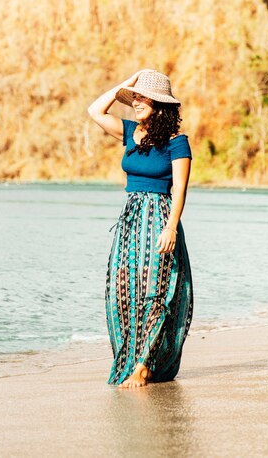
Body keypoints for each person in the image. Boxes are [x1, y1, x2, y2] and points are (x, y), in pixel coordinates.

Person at [87, 69, 193, 388]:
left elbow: (181, 188)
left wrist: (171, 227)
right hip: (130, 220)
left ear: (161, 105)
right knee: (122, 292)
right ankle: (131, 357)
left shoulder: (177, 143)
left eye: (144, 98)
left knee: (157, 291)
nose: (137, 103)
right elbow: (94, 111)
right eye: (135, 99)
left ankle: (144, 365)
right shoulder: (129, 131)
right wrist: (126, 85)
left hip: (159, 218)